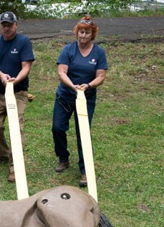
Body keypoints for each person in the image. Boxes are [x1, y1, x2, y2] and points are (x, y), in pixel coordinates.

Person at [51, 15, 107, 187]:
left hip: (86, 98)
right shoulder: (68, 49)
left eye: (87, 32)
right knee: (57, 128)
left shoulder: (99, 52)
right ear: (77, 32)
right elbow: (62, 73)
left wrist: (88, 86)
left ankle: (84, 170)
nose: (83, 35)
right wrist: (73, 86)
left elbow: (101, 76)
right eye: (81, 32)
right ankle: (63, 158)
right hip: (66, 96)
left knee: (83, 133)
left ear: (92, 34)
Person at [0, 11, 34, 182]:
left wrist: (15, 81)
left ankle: (15, 167)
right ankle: (3, 154)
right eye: (4, 25)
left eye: (9, 25)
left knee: (16, 129)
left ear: (16, 25)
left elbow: (26, 67)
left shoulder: (23, 42)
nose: (6, 28)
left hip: (18, 93)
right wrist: (1, 76)